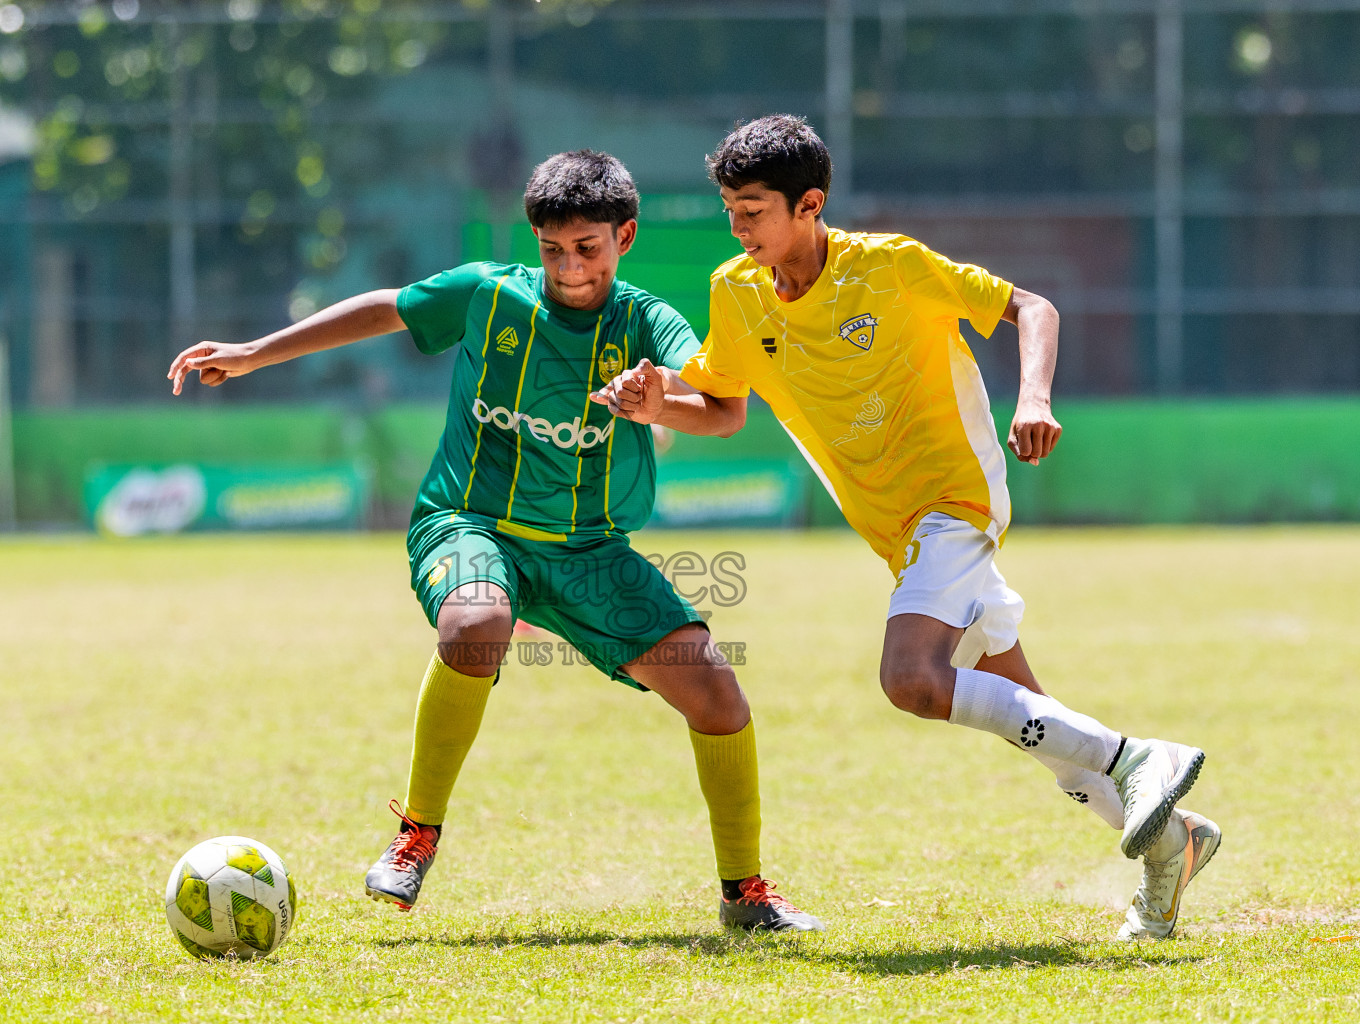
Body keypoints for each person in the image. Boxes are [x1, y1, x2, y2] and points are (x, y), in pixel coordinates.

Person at [593, 116, 1219, 942]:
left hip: (955, 503)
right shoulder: (735, 291)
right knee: (1028, 714)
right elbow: (722, 408)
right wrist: (654, 403)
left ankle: (1137, 758)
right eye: (731, 212)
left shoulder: (890, 267)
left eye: (753, 211)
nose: (738, 228)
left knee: (911, 680)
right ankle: (1173, 843)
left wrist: (1033, 397)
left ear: (809, 204)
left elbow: (1032, 307)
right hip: (898, 537)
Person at [166, 149, 822, 933]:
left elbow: (719, 407)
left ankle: (743, 893)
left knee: (716, 693)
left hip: (588, 549)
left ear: (626, 236)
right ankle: (416, 833)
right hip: (467, 522)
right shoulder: (489, 295)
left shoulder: (648, 322)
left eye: (587, 248)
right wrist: (252, 353)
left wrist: (657, 403)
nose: (569, 268)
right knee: (477, 623)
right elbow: (385, 307)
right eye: (552, 250)